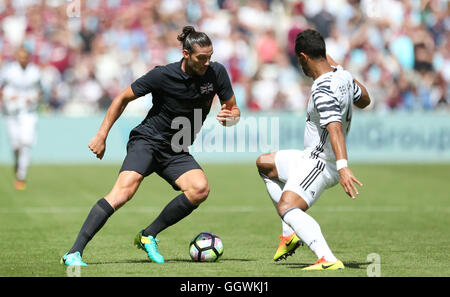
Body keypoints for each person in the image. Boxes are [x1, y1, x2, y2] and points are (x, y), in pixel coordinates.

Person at [61, 26, 240, 266]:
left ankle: (148, 235)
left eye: (210, 56)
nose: (207, 62)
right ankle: (73, 253)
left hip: (176, 149)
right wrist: (101, 135)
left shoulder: (216, 73)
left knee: (199, 189)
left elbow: (233, 109)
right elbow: (122, 98)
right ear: (186, 53)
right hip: (147, 140)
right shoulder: (162, 75)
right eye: (201, 58)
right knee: (123, 193)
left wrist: (231, 118)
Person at [256, 29, 371, 270]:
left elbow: (335, 128)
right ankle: (290, 232)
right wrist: (340, 70)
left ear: (304, 57)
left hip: (320, 162)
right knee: (265, 164)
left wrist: (343, 167)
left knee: (287, 206)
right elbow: (365, 100)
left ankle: (326, 258)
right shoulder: (344, 77)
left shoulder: (322, 89)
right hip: (309, 156)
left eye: (299, 60)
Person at [0, 46, 41, 190]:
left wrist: (34, 98)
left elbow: (41, 92)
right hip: (11, 113)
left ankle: (21, 176)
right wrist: (6, 97)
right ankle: (18, 163)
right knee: (16, 146)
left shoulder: (35, 72)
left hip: (28, 112)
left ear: (28, 57)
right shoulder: (9, 71)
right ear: (17, 57)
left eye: (25, 57)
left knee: (26, 143)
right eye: (20, 56)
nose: (23, 59)